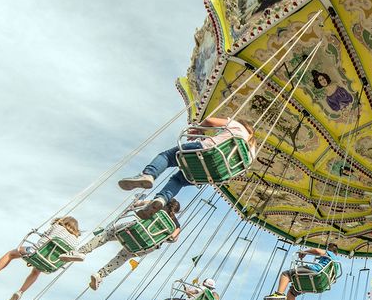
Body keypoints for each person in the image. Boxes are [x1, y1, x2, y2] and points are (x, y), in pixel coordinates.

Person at [118, 117, 256, 217]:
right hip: (215, 174)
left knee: (167, 156)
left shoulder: (238, 126)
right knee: (179, 180)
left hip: (207, 151)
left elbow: (210, 121)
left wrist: (199, 130)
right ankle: (161, 199)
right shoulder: (251, 154)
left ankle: (148, 174)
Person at [61, 199, 182, 290]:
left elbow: (139, 204)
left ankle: (81, 252)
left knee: (107, 234)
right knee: (124, 256)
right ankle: (100, 275)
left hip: (132, 230)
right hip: (143, 245)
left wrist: (136, 203)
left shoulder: (158, 207)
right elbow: (173, 238)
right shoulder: (176, 224)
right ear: (176, 212)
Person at [0, 216, 82, 300]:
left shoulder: (57, 226)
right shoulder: (76, 241)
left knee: (10, 254)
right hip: (50, 262)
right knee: (35, 272)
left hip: (35, 252)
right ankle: (20, 292)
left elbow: (45, 235)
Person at [264, 247, 336, 300]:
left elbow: (317, 251)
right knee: (293, 291)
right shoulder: (336, 265)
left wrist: (304, 252)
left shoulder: (330, 254)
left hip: (315, 272)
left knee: (286, 274)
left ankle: (279, 293)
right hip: (320, 284)